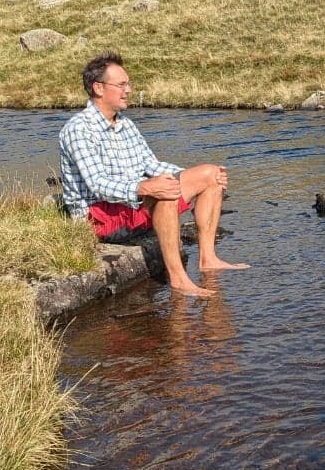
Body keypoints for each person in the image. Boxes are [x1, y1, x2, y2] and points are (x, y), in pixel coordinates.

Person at [59, 52, 247, 296]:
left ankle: (208, 258)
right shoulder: (79, 129)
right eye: (121, 85)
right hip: (99, 216)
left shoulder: (125, 124)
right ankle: (178, 279)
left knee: (209, 174)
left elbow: (151, 164)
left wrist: (192, 177)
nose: (128, 89)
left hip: (132, 205)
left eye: (128, 83)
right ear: (98, 88)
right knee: (163, 190)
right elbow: (97, 184)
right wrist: (144, 188)